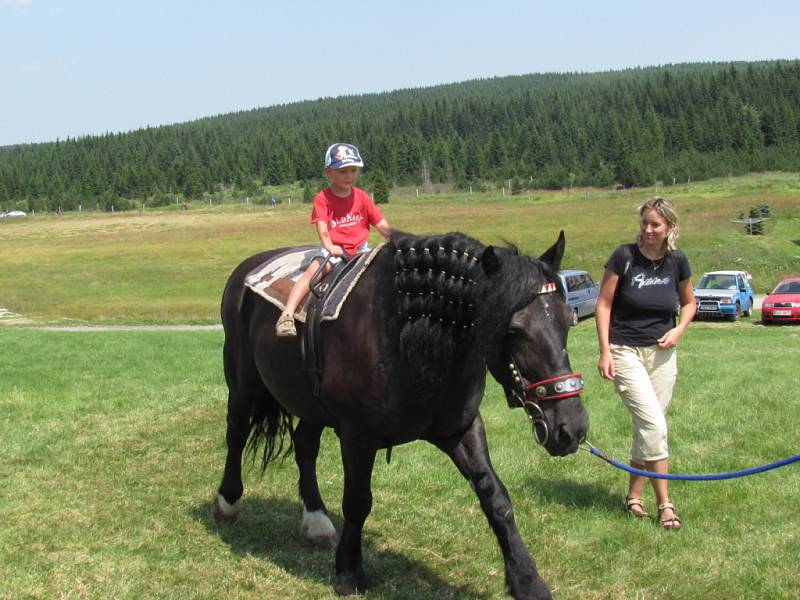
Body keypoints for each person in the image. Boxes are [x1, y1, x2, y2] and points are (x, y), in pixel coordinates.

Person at [595, 196, 696, 529]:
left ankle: (633, 497)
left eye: (655, 224)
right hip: (625, 351)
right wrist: (605, 350)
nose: (648, 230)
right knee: (654, 425)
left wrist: (679, 330)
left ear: (670, 227)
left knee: (649, 428)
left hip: (663, 354)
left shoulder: (677, 261)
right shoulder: (624, 257)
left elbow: (690, 303)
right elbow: (604, 304)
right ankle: (665, 504)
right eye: (644, 223)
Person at [275, 143, 392, 337]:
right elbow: (323, 229)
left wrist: (399, 240)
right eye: (342, 171)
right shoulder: (323, 199)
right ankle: (287, 314)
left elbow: (381, 224)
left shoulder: (362, 197)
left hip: (361, 250)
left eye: (353, 170)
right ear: (328, 172)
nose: (349, 176)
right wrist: (329, 247)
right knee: (313, 273)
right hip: (335, 251)